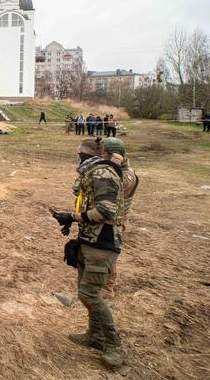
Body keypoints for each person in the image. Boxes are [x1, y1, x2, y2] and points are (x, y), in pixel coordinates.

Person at [51, 138, 127, 368]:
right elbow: (88, 203)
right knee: (86, 291)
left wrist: (73, 217)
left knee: (90, 294)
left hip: (102, 242)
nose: (77, 157)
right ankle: (94, 336)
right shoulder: (92, 172)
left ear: (90, 155)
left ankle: (115, 346)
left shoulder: (102, 174)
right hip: (89, 239)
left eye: (80, 153)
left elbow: (105, 210)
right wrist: (71, 219)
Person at [100, 138, 139, 304]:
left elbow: (115, 184)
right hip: (104, 219)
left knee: (108, 255)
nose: (101, 155)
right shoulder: (110, 168)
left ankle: (107, 289)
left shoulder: (128, 175)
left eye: (104, 153)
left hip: (115, 222)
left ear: (114, 155)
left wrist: (112, 165)